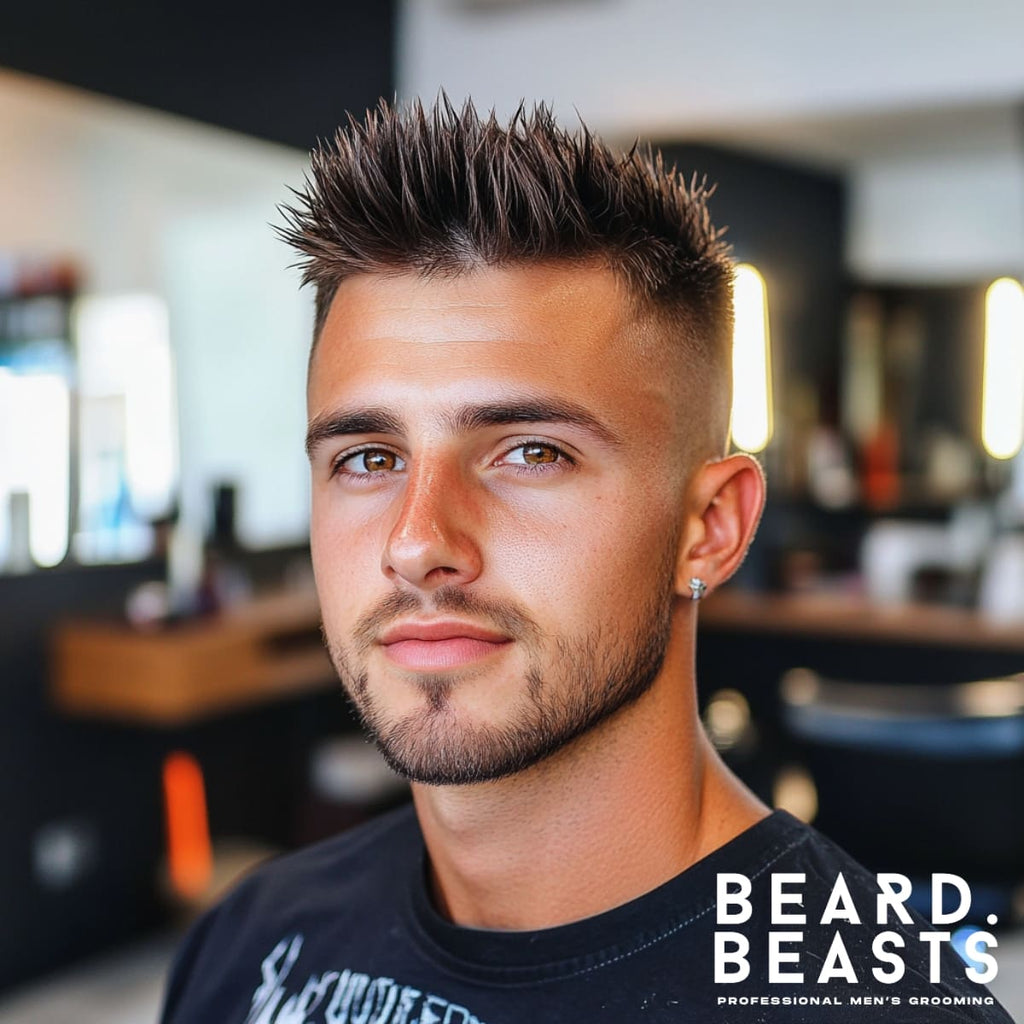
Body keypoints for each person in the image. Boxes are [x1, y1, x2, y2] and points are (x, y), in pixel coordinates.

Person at [160, 99, 1012, 1023]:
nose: (416, 542)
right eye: (369, 458)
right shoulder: (248, 944)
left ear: (712, 526)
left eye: (531, 452)